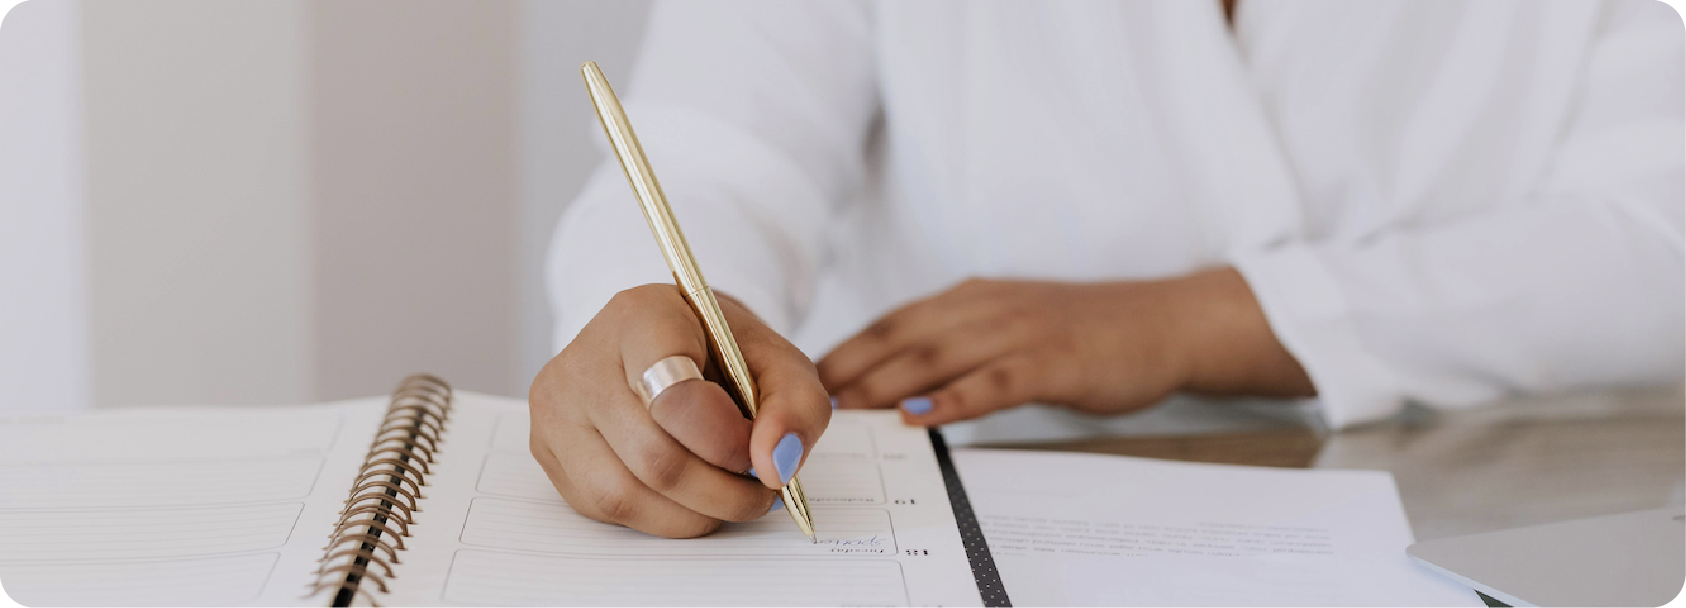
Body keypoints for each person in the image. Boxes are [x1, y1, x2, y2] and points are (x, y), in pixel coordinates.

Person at [531, 0, 1686, 538]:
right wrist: (664, 326)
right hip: (952, 524)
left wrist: (1200, 320)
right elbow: (708, 166)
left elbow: (1660, 232)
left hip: (1528, 518)